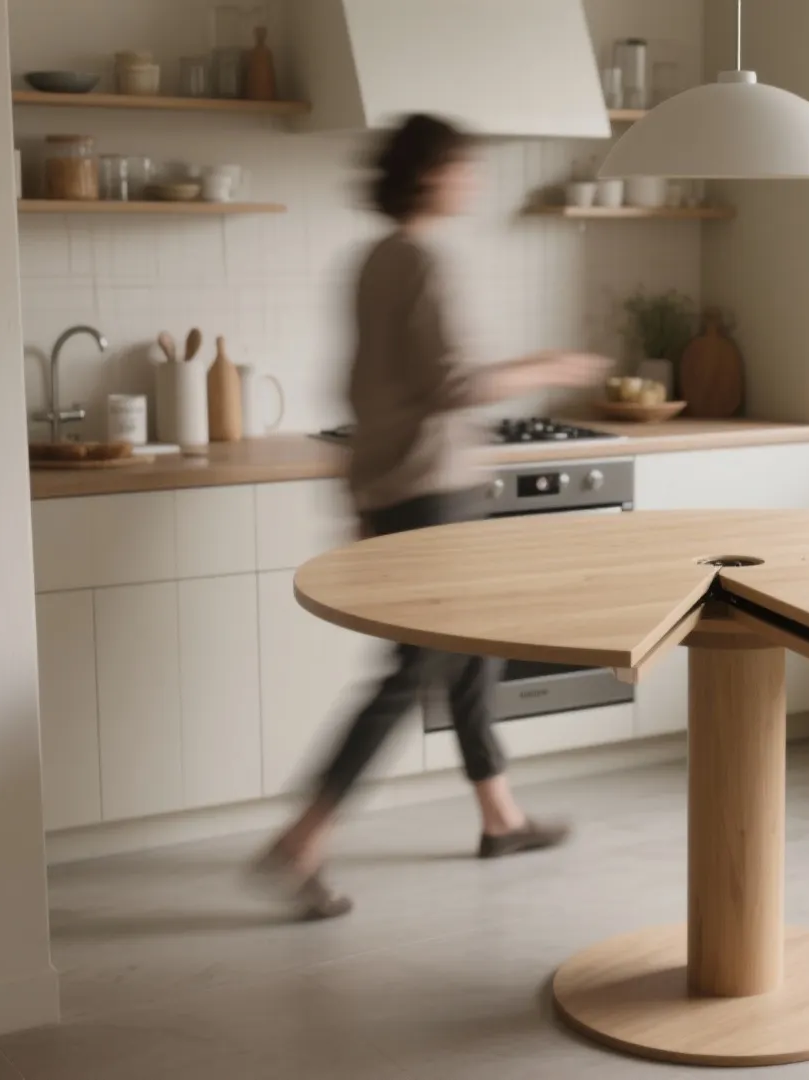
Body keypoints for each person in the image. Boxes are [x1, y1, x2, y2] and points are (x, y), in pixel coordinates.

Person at [255, 115, 611, 919]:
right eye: (463, 168)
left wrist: (359, 494)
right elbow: (453, 386)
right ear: (428, 175)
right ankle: (303, 837)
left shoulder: (373, 259)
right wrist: (550, 365)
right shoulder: (420, 261)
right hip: (431, 491)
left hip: (398, 487)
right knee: (412, 670)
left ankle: (501, 817)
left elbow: (358, 388)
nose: (473, 181)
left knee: (470, 654)